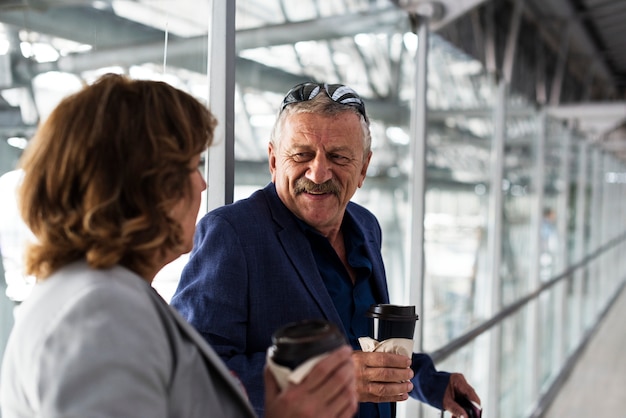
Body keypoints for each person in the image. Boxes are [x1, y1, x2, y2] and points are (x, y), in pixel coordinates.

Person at [0, 74, 358, 418]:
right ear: (139, 186)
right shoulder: (97, 314)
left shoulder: (104, 297)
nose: (202, 184)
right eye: (190, 166)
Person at [171, 82, 481, 418]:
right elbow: (194, 375)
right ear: (274, 160)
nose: (318, 173)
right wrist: (328, 378)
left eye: (338, 157)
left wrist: (431, 383)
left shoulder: (366, 226)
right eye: (301, 154)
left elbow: (362, 345)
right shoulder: (231, 233)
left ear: (363, 168)